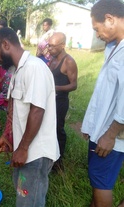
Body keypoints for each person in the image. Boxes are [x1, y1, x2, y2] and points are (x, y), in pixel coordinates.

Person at [0, 28, 60, 207]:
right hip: (25, 150)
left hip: (35, 153)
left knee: (29, 202)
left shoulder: (34, 68)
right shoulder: (18, 70)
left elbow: (37, 110)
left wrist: (22, 148)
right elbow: (16, 109)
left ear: (6, 44)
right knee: (23, 197)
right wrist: (7, 136)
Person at [81, 0, 124, 206]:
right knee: (98, 179)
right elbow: (104, 93)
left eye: (96, 29)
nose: (97, 34)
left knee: (101, 181)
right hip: (102, 129)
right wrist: (90, 124)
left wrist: (110, 135)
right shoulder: (114, 46)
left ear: (110, 19)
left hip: (112, 135)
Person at [48, 32, 78, 172]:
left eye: (53, 46)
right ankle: (50, 155)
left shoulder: (69, 61)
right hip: (49, 100)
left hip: (60, 101)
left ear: (63, 45)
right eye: (49, 45)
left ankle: (58, 162)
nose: (49, 48)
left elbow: (74, 85)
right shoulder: (52, 59)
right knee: (48, 128)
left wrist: (56, 88)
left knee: (58, 129)